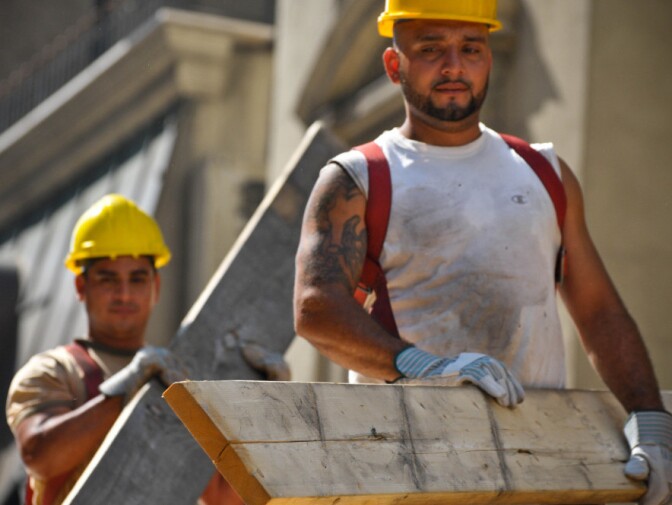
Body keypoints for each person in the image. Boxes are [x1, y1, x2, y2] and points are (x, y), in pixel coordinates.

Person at [293, 1, 671, 504]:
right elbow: (316, 309)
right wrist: (424, 367)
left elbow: (599, 311)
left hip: (538, 465)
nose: (453, 66)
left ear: (488, 58)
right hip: (408, 469)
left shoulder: (544, 174)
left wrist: (649, 420)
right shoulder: (357, 178)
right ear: (393, 65)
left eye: (470, 48)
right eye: (430, 50)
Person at [5, 194, 243, 505]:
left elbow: (223, 498)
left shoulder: (176, 382)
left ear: (155, 287)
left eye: (137, 278)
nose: (124, 293)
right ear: (81, 286)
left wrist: (261, 405)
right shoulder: (54, 372)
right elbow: (40, 454)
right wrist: (124, 392)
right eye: (108, 279)